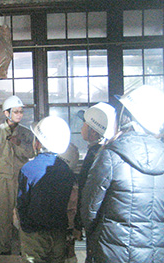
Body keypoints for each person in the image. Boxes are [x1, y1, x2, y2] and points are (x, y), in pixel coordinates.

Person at [81, 85, 164, 262]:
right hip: (155, 254)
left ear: (127, 116)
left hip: (112, 252)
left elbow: (89, 211)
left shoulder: (111, 155)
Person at [16, 116, 77, 263]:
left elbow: (21, 203)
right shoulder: (66, 170)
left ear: (38, 143)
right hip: (59, 232)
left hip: (34, 233)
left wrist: (24, 226)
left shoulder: (28, 169)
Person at [0, 95, 35, 255]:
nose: (19, 114)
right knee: (4, 217)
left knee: (22, 216)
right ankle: (5, 250)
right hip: (3, 180)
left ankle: (23, 250)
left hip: (22, 180)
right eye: (16, 111)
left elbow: (31, 153)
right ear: (6, 113)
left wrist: (18, 143)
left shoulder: (26, 134)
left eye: (21, 111)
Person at [74, 102, 117, 254]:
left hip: (96, 224)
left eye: (84, 124)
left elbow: (86, 193)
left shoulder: (95, 156)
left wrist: (78, 223)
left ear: (93, 131)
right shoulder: (103, 152)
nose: (81, 128)